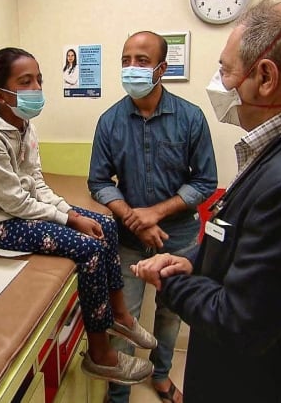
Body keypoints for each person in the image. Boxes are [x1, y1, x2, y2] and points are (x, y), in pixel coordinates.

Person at [132, 0, 281, 402]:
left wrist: (171, 281)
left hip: (254, 386)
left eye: (225, 69)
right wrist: (194, 262)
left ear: (266, 77)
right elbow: (244, 246)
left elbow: (238, 321)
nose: (218, 82)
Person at [0, 47, 158, 385]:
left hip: (20, 210)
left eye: (38, 80)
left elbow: (37, 183)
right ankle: (100, 354)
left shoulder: (24, 125)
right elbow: (14, 203)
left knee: (106, 222)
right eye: (25, 82)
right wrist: (69, 220)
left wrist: (66, 211)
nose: (36, 88)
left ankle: (119, 315)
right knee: (88, 248)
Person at [88, 31, 217, 403]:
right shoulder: (110, 121)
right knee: (124, 317)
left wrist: (156, 213)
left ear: (161, 68)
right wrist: (133, 218)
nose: (132, 68)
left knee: (170, 313)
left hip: (177, 238)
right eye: (126, 60)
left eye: (141, 61)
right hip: (128, 239)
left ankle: (161, 376)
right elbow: (98, 180)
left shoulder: (190, 118)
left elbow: (205, 180)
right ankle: (119, 393)